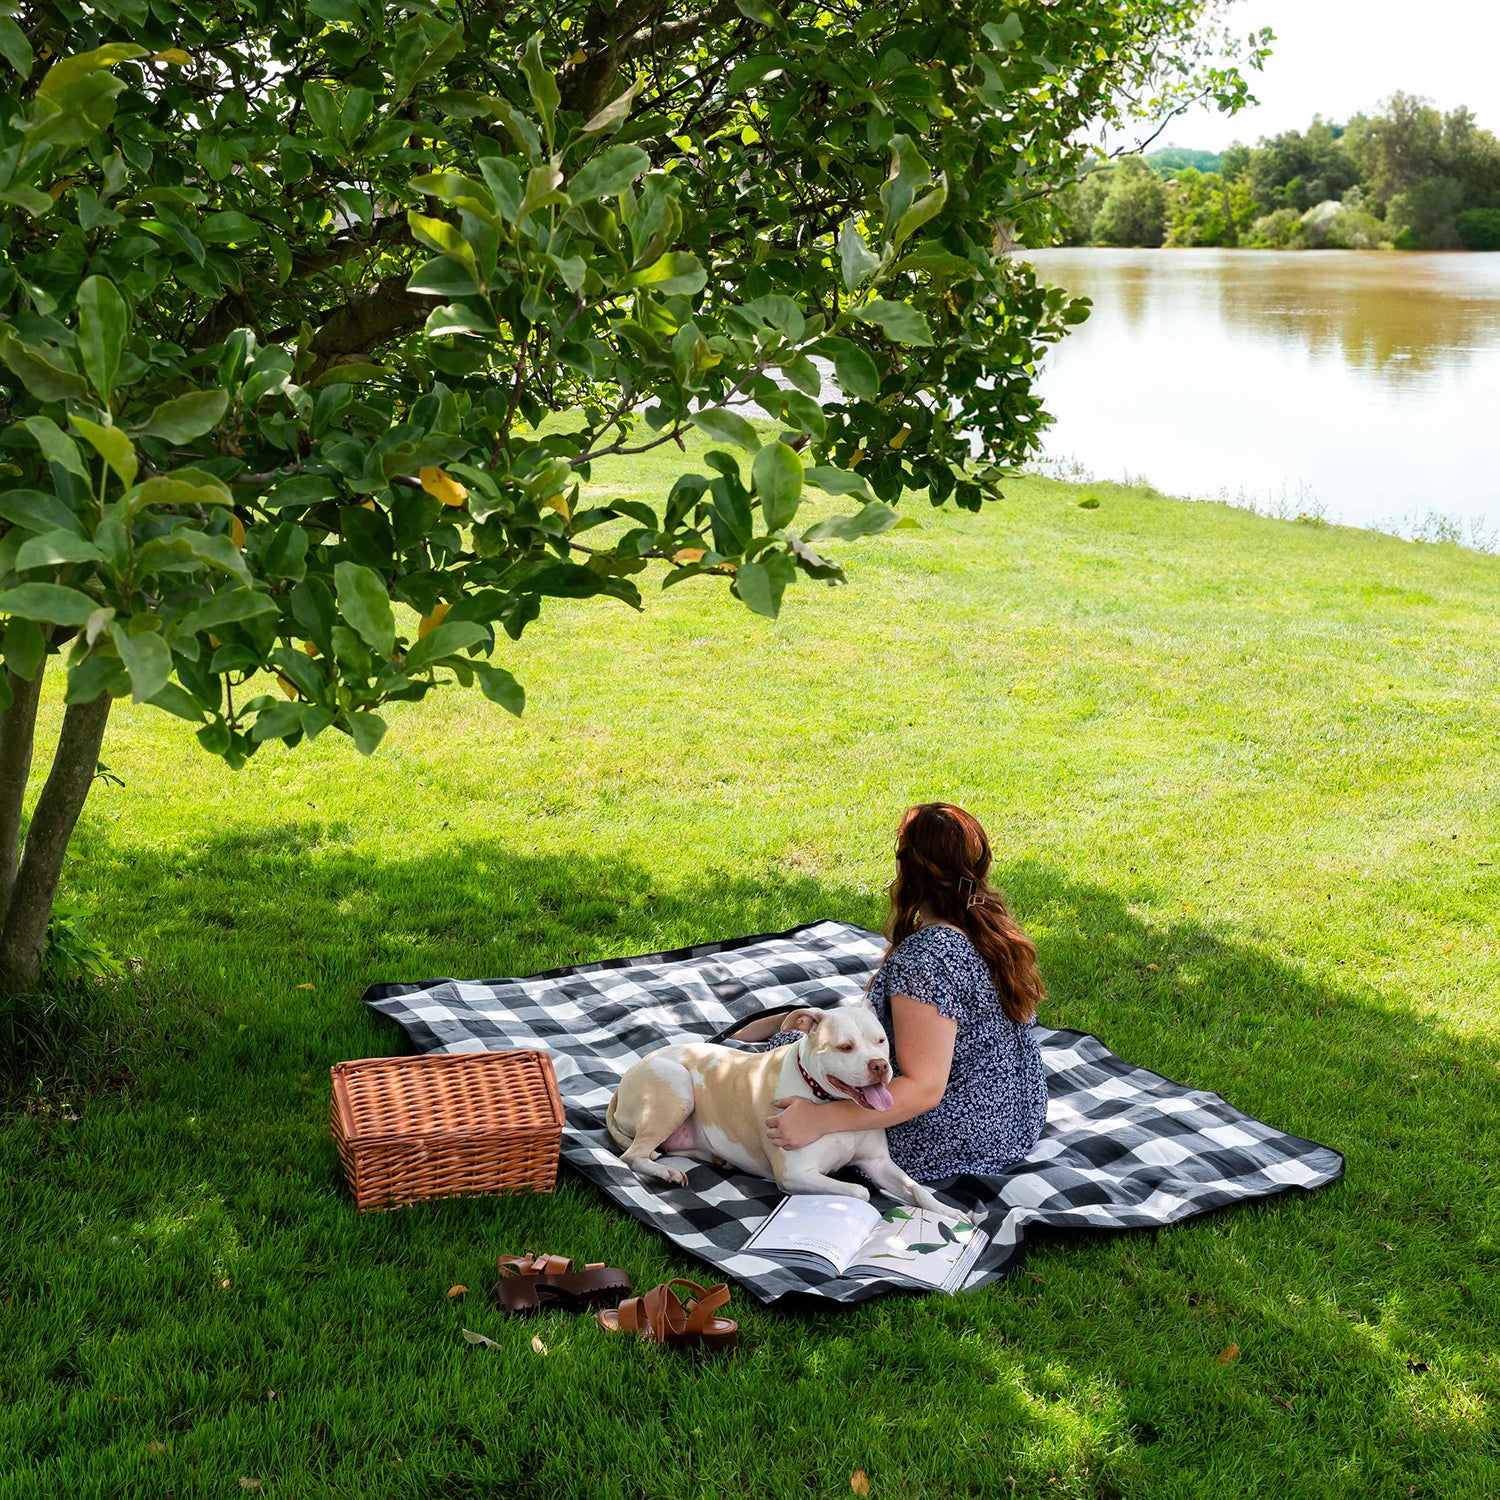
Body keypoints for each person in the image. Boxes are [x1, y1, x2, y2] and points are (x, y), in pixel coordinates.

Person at [730, 802, 1048, 1180]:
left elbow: (925, 1088)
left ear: (906, 868)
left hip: (952, 1133)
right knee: (804, 1029)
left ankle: (731, 1049)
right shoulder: (992, 931)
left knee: (773, 1070)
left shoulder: (925, 961)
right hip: (1014, 1114)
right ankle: (749, 1036)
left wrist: (820, 1119)